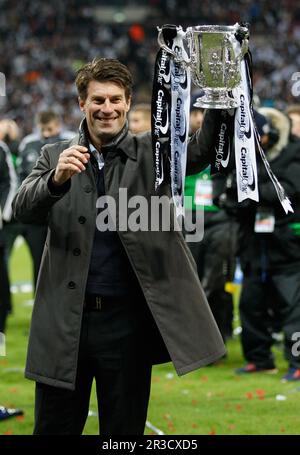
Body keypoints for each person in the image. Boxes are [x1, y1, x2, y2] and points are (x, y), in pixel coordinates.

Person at [12, 58, 225, 435]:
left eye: (115, 99)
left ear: (127, 102)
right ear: (82, 103)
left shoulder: (153, 153)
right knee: (53, 428)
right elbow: (22, 208)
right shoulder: (53, 154)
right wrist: (55, 179)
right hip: (66, 321)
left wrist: (221, 98)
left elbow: (201, 149)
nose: (106, 108)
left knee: (123, 434)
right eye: (97, 100)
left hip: (127, 325)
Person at [222, 108, 300, 381]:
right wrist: (250, 195)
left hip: (286, 246)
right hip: (253, 245)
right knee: (250, 304)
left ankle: (297, 361)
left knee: (293, 308)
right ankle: (259, 359)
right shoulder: (240, 158)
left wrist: (250, 194)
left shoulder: (293, 154)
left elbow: (285, 191)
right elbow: (229, 197)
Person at [3, 111, 75, 288]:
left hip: (66, 214)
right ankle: (40, 305)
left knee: (69, 261)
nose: (46, 134)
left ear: (58, 125)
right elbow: (21, 176)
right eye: (42, 129)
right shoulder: (29, 143)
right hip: (37, 216)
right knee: (39, 263)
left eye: (49, 129)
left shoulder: (72, 140)